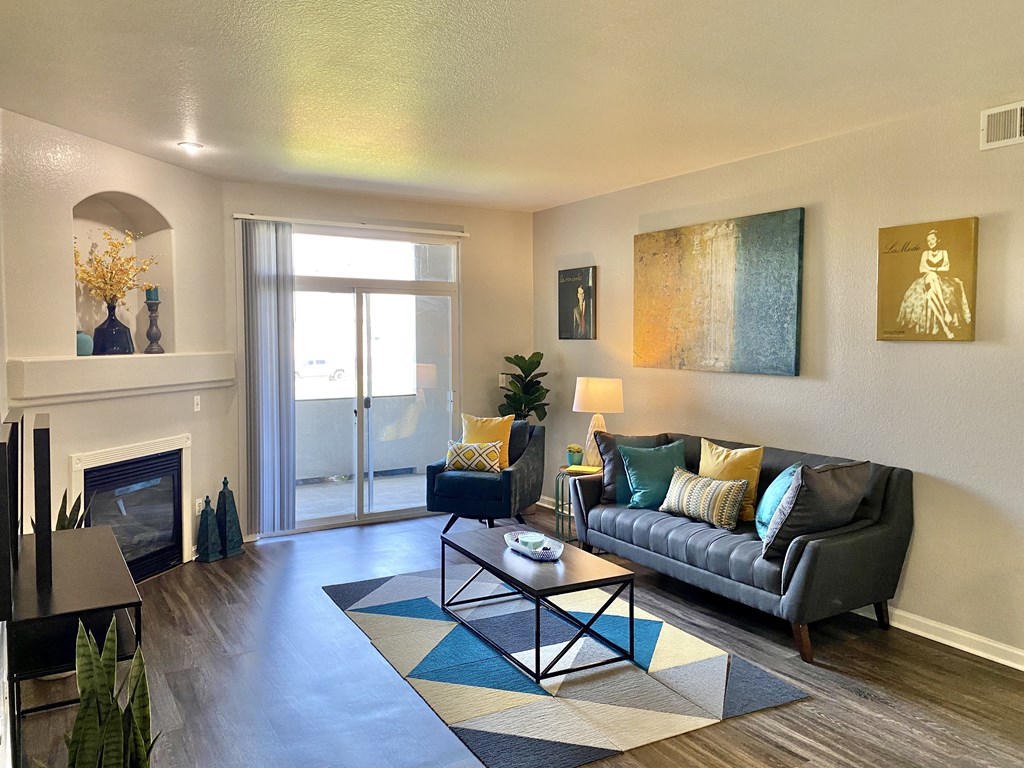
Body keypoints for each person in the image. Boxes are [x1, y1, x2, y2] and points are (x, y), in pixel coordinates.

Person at [896, 230, 972, 339]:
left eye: (932, 239)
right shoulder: (925, 253)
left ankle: (946, 328)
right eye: (928, 241)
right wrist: (935, 270)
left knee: (931, 293)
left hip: (940, 279)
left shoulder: (943, 252)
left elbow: (947, 268)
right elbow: (922, 269)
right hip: (926, 280)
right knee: (931, 275)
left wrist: (931, 269)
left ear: (938, 240)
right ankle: (945, 310)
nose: (930, 242)